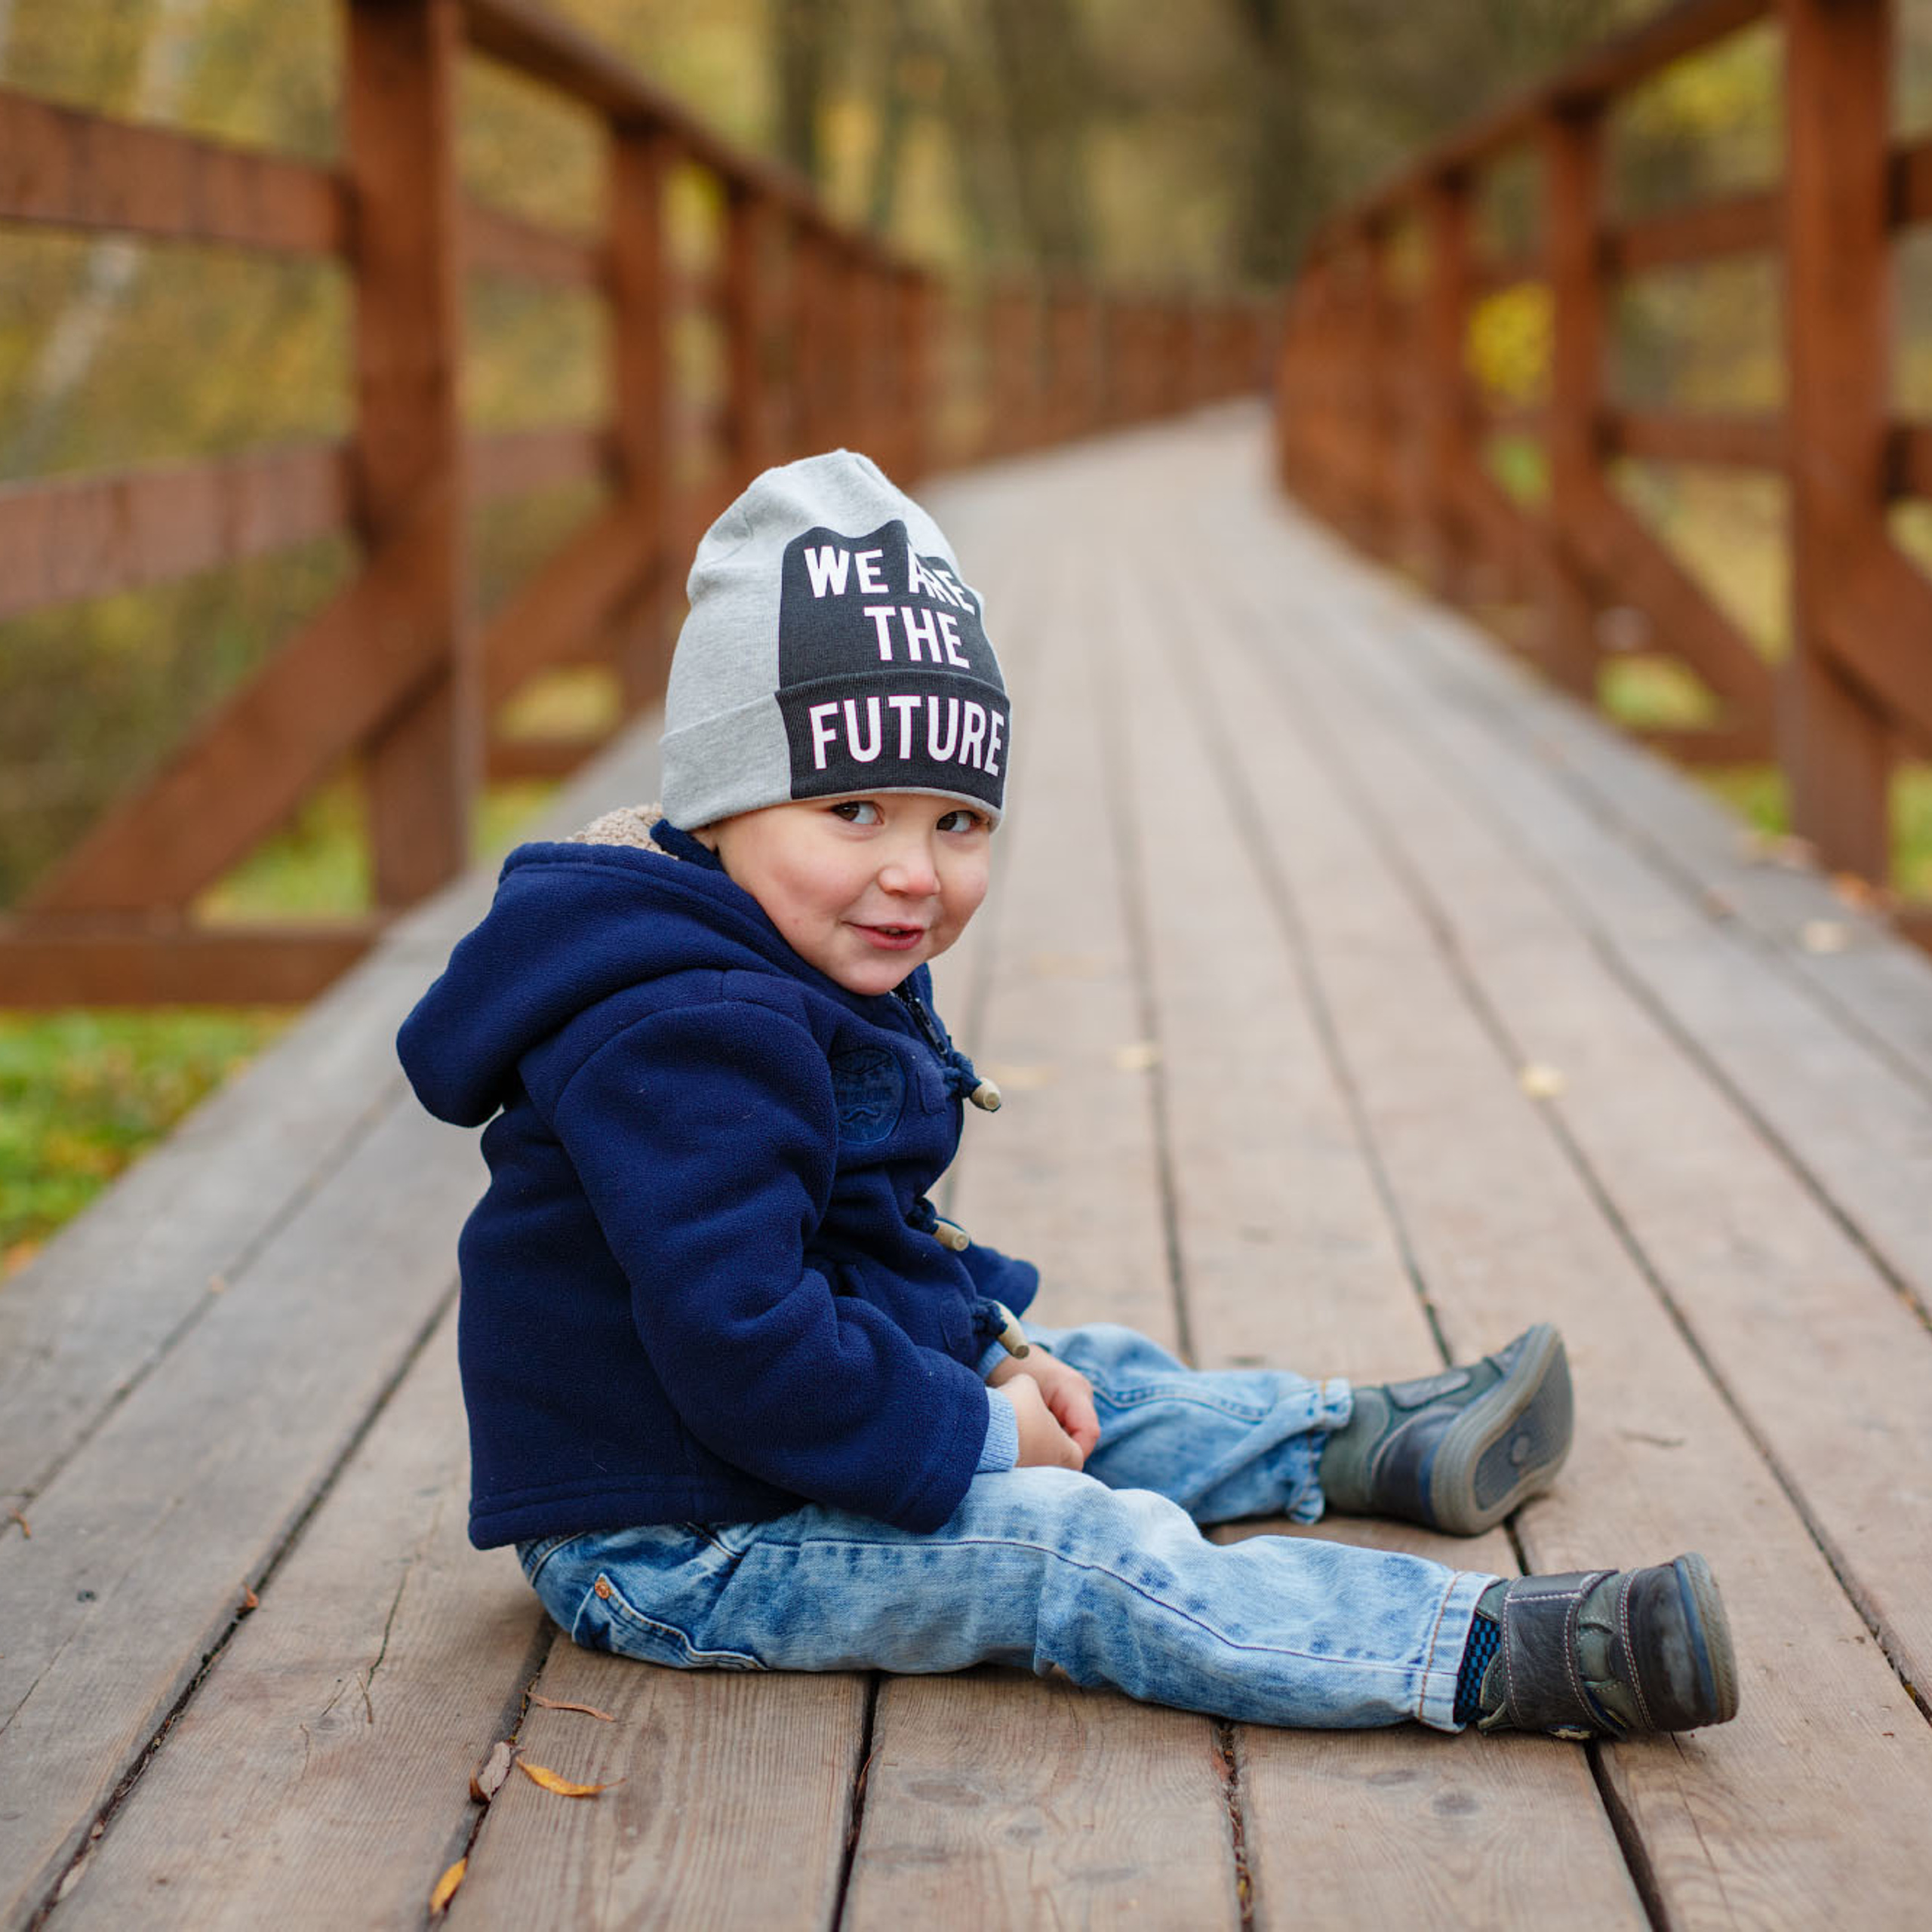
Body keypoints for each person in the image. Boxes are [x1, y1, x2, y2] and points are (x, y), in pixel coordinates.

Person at [398, 451, 1739, 1741]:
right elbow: (744, 1343)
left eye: (956, 821)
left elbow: (853, 1236)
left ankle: (1355, 1444)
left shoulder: (785, 942)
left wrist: (986, 1347)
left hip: (761, 1441)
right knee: (1069, 1547)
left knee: (1091, 1378)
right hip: (681, 1539)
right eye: (854, 812)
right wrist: (979, 1432)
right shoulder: (684, 1031)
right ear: (723, 805)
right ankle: (1477, 1649)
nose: (915, 873)